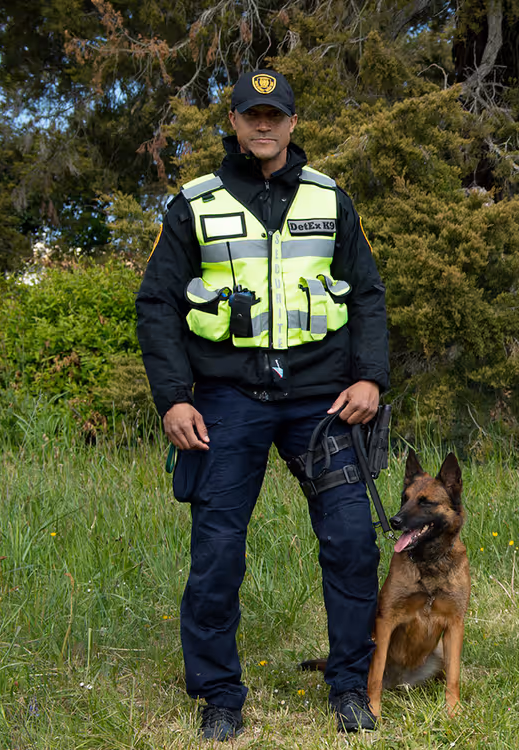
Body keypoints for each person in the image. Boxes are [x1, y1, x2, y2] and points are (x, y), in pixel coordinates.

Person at [136, 69, 390, 740]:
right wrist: (171, 399)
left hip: (322, 402)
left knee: (352, 542)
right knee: (217, 552)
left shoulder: (331, 199)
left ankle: (350, 687)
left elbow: (366, 294)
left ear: (293, 123)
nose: (264, 125)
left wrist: (370, 379)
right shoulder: (194, 202)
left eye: (275, 115)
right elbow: (157, 304)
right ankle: (219, 696)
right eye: (252, 115)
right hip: (225, 401)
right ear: (236, 120)